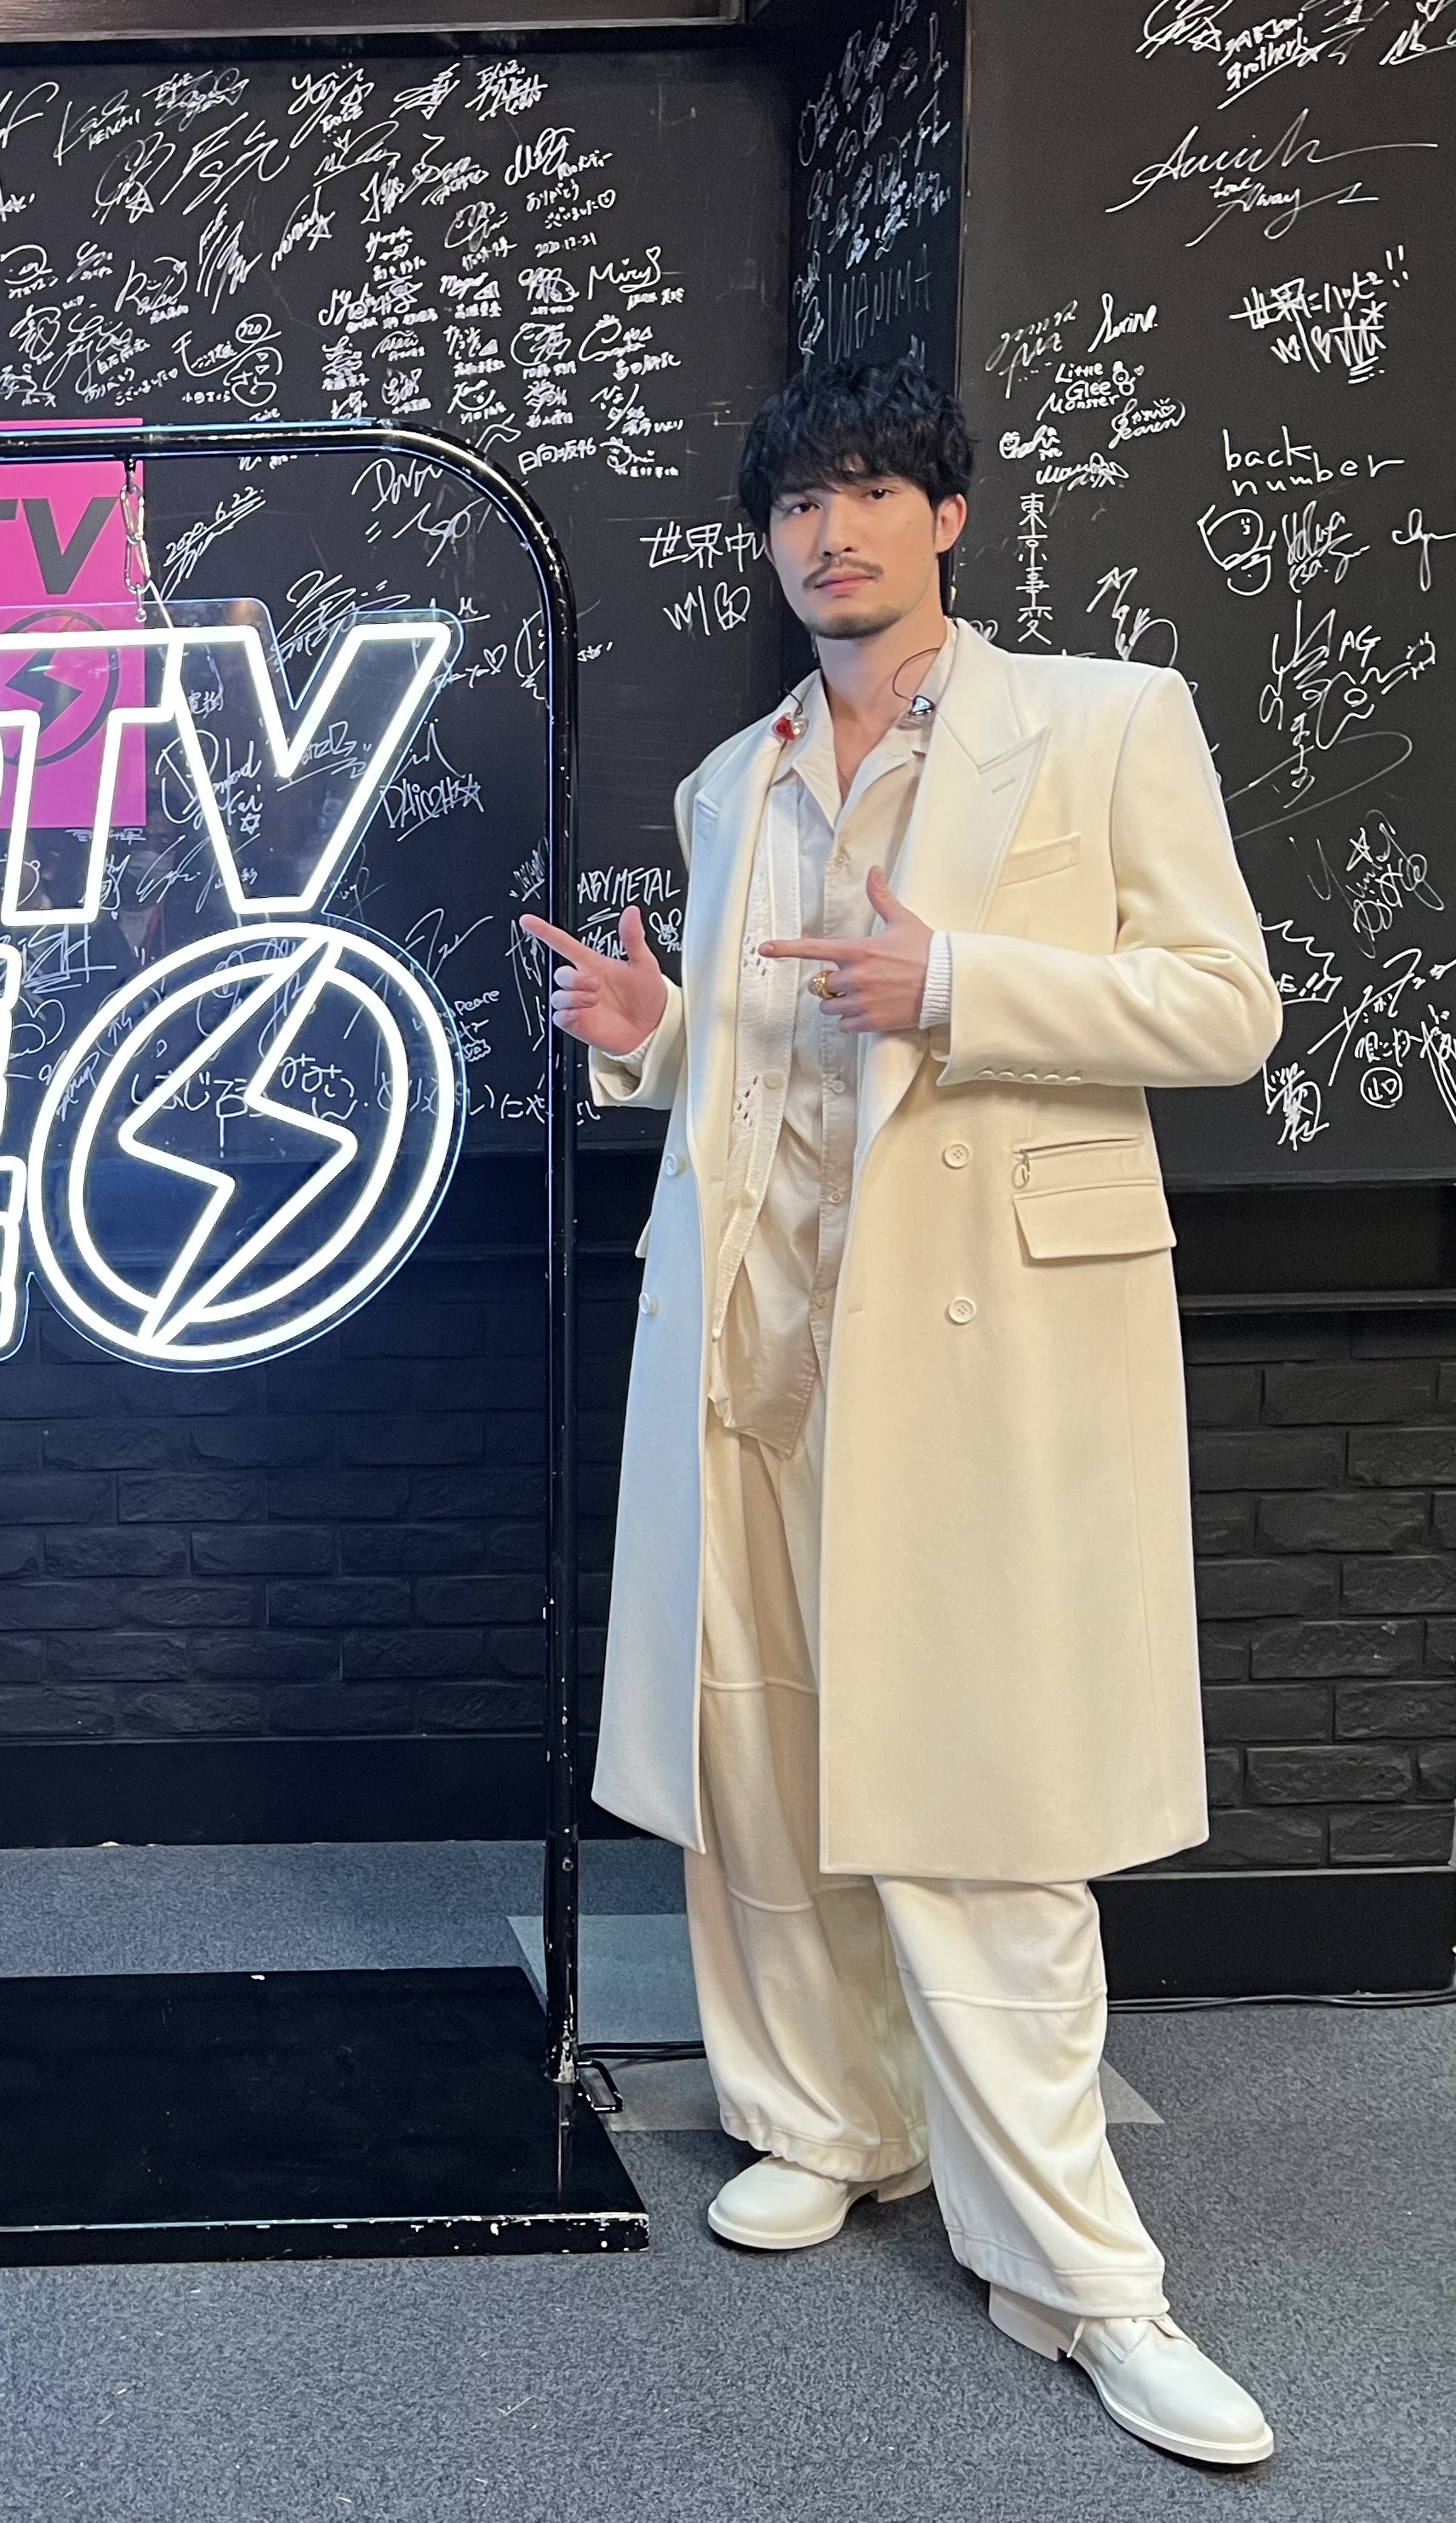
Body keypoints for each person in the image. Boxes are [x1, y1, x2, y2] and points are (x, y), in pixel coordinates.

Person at [521, 363, 1282, 2466]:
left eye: (867, 490)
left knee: (978, 1808)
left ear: (944, 516)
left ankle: (1081, 2279)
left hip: (972, 1353)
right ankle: (820, 2122)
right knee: (754, 1759)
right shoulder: (733, 780)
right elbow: (766, 1067)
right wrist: (652, 1032)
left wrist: (957, 983)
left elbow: (1222, 1008)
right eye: (795, 503)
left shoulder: (1100, 723)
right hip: (752, 1353)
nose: (828, 531)